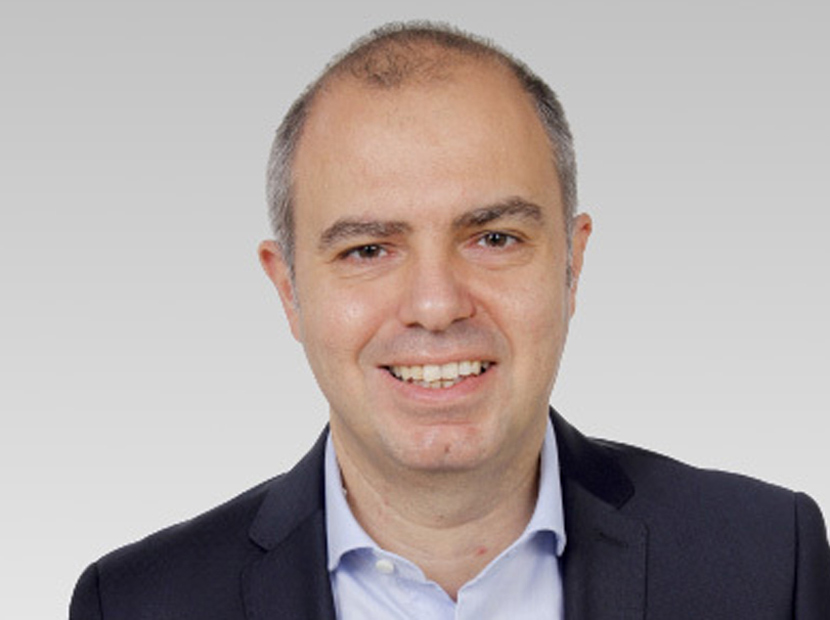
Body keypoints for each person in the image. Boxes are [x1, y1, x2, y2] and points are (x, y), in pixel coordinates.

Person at [69, 21, 830, 620]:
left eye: (494, 238)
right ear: (288, 289)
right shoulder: (138, 605)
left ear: (572, 262)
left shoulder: (769, 563)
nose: (436, 306)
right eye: (368, 250)